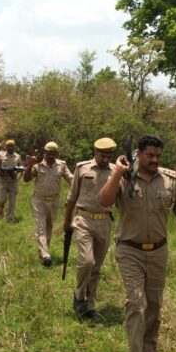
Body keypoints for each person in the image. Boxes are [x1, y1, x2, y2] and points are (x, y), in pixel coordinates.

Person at [98, 134, 176, 352]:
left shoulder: (169, 179)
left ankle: (149, 348)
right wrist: (117, 174)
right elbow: (104, 201)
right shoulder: (123, 175)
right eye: (150, 155)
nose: (155, 160)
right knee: (136, 304)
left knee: (154, 304)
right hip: (129, 250)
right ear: (139, 153)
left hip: (158, 251)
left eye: (158, 156)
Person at [63, 137, 117, 320]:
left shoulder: (116, 171)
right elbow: (72, 196)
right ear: (95, 152)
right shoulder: (82, 168)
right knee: (86, 261)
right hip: (84, 220)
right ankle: (79, 295)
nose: (105, 159)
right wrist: (66, 221)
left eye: (109, 156)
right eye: (102, 155)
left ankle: (90, 305)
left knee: (96, 267)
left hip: (104, 222)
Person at [24, 142, 73, 267]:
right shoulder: (38, 166)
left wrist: (82, 183)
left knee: (49, 227)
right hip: (39, 200)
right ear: (44, 153)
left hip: (54, 201)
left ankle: (43, 252)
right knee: (40, 227)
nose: (50, 156)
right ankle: (46, 255)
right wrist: (29, 165)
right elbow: (26, 179)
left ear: (56, 154)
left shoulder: (61, 165)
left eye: (53, 154)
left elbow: (71, 179)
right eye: (48, 153)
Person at [0, 139, 22, 222]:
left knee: (12, 202)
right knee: (2, 200)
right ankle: (1, 209)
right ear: (6, 147)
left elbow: (20, 167)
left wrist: (17, 171)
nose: (10, 148)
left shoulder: (17, 156)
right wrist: (0, 172)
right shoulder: (1, 156)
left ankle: (9, 218)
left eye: (12, 146)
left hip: (13, 182)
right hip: (3, 181)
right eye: (8, 146)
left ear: (14, 147)